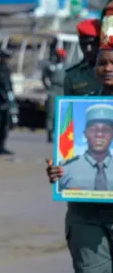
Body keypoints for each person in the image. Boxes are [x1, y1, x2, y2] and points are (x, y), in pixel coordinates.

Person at [47, 39, 113, 272]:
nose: (107, 68)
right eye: (102, 63)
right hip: (86, 216)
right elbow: (64, 160)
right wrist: (58, 171)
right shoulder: (77, 107)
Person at [58, 104, 113, 191]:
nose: (99, 134)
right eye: (93, 129)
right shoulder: (66, 168)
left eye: (106, 130)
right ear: (85, 134)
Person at [64, 19, 101, 96]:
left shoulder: (109, 71)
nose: (88, 49)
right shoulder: (73, 75)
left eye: (93, 43)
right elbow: (67, 106)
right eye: (84, 44)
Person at [43, 47, 67, 143]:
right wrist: (48, 87)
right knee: (51, 113)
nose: (60, 58)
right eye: (58, 56)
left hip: (62, 90)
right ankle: (50, 133)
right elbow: (44, 77)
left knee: (61, 113)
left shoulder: (66, 67)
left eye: (61, 56)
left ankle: (59, 133)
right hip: (53, 89)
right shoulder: (51, 66)